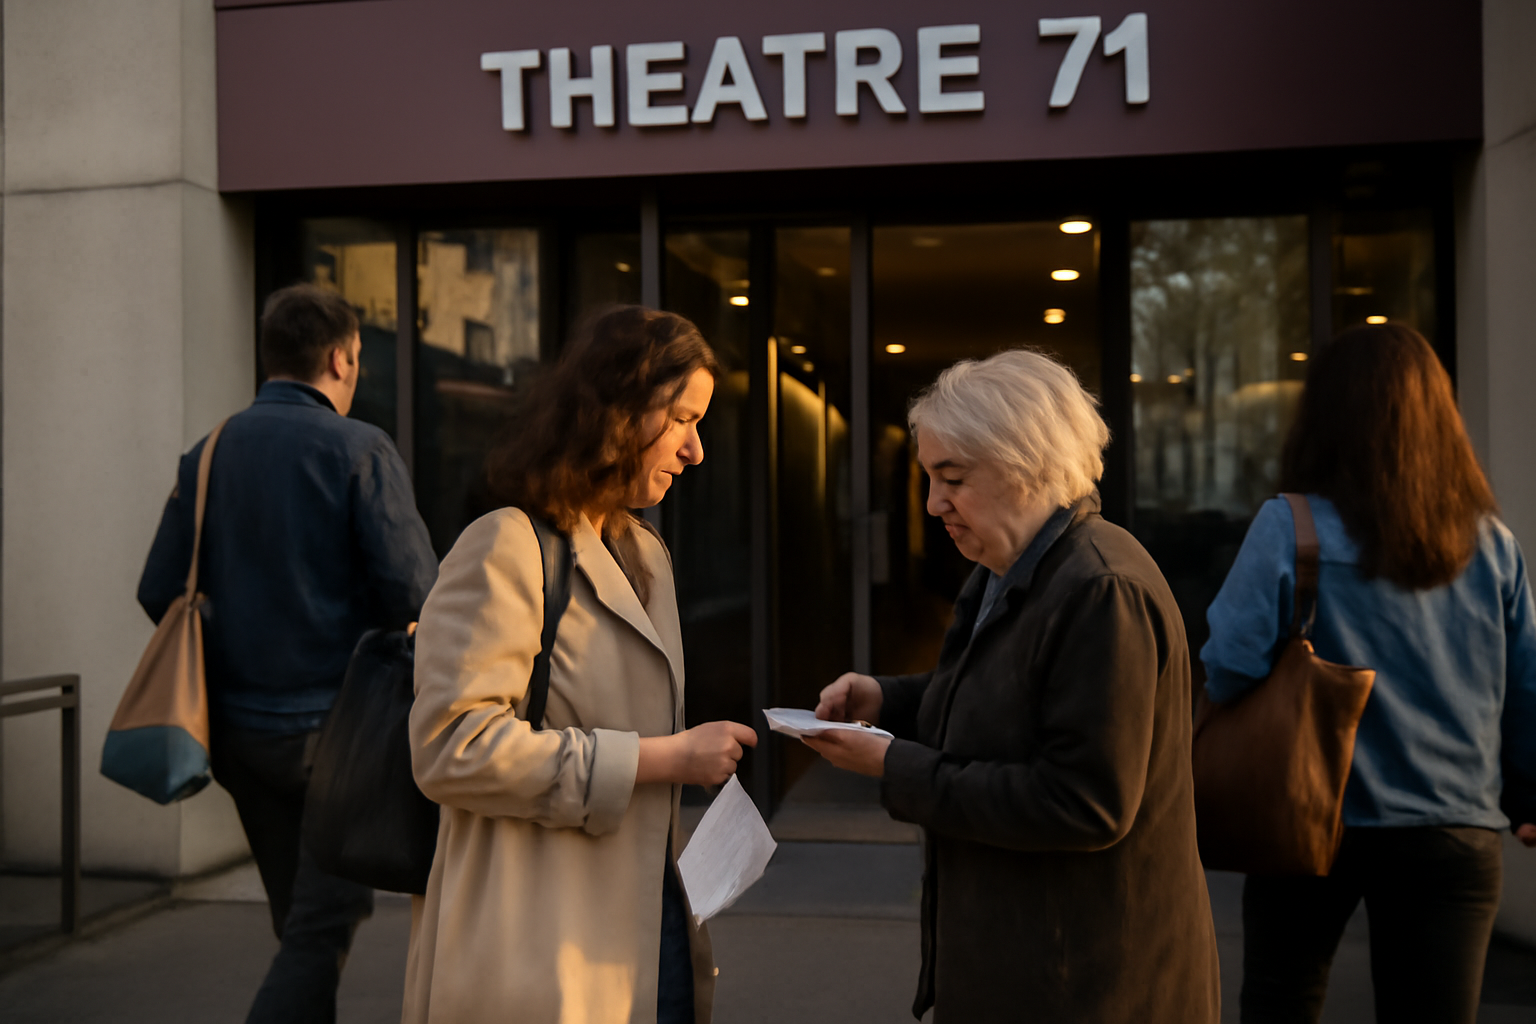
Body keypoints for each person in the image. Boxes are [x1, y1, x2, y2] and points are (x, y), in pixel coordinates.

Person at [804, 348, 1220, 1023]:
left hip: (1087, 987)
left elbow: (1084, 804)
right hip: (1040, 971)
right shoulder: (1018, 563)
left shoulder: (1098, 589)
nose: (934, 503)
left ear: (1026, 463)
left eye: (953, 478)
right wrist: (889, 700)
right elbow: (1001, 696)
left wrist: (895, 764)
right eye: (931, 478)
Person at [402, 305, 758, 1024]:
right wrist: (662, 760)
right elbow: (450, 749)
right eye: (684, 419)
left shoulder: (643, 551)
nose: (696, 451)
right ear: (620, 411)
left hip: (649, 931)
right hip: (538, 946)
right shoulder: (504, 544)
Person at [1201, 323, 1536, 1024]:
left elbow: (1228, 666)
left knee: (1281, 1002)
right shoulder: (1492, 543)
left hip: (1310, 817)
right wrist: (1529, 793)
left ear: (1323, 415)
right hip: (1454, 827)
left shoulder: (1289, 527)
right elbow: (1525, 689)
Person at [138, 284, 439, 1023]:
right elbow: (416, 595)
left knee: (301, 923)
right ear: (340, 358)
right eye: (358, 358)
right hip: (336, 740)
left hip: (237, 737)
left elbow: (157, 590)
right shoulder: (359, 447)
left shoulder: (206, 454)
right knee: (319, 927)